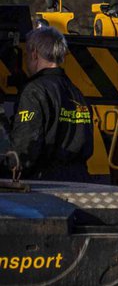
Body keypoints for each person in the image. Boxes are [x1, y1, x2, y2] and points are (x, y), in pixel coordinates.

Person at [8, 26, 94, 182]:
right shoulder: (77, 93)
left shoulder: (34, 91)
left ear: (34, 54)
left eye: (27, 54)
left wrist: (9, 166)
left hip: (46, 183)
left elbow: (25, 148)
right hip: (80, 180)